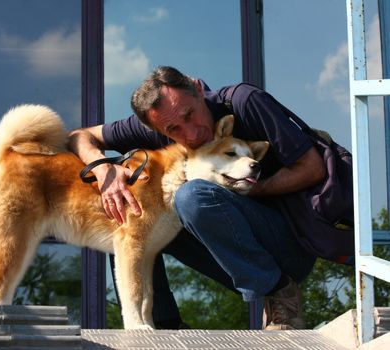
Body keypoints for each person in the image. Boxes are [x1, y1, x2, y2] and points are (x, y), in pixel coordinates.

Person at [68, 65, 325, 330]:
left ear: (198, 89)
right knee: (128, 206)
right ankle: (163, 325)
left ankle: (280, 292)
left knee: (191, 195)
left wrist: (246, 189)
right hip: (229, 257)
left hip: (288, 246)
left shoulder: (245, 102)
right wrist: (102, 169)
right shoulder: (158, 122)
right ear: (156, 128)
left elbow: (313, 167)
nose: (190, 133)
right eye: (174, 129)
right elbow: (78, 136)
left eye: (189, 114)